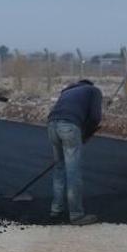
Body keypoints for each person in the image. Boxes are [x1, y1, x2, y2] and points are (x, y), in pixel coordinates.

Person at [46, 79, 102, 226]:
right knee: (73, 171)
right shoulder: (93, 91)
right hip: (69, 126)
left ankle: (56, 209)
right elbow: (95, 117)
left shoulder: (67, 90)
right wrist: (85, 134)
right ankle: (76, 215)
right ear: (90, 84)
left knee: (59, 168)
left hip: (51, 125)